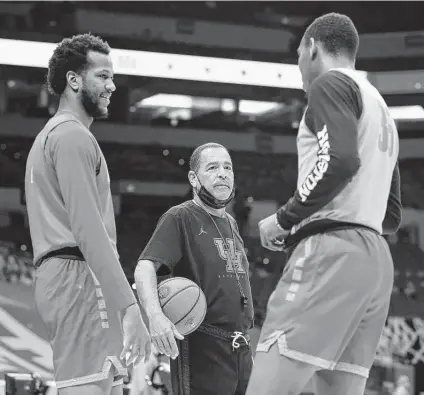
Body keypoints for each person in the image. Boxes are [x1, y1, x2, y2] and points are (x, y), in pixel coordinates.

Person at [246, 13, 402, 395]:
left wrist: (286, 219)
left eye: (299, 54)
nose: (299, 66)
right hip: (376, 263)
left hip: (331, 254)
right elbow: (392, 214)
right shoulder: (380, 107)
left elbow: (340, 161)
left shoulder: (329, 83)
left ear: (312, 48)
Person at [24, 34, 150, 395]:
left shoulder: (52, 136)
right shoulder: (72, 137)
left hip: (66, 276)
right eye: (103, 76)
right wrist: (129, 306)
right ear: (74, 80)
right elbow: (88, 229)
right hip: (78, 276)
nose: (112, 86)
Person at [134, 142, 254, 395]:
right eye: (212, 167)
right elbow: (144, 266)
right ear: (193, 178)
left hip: (240, 348)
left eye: (227, 167)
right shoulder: (180, 217)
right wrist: (155, 317)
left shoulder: (231, 223)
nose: (222, 173)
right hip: (202, 346)